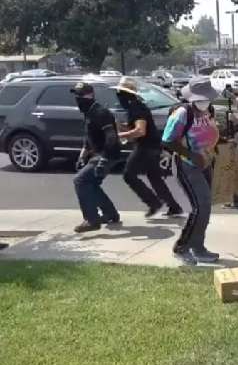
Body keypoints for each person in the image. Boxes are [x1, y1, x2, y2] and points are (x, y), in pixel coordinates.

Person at [162, 77, 220, 265]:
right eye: (201, 99)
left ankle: (198, 247)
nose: (205, 102)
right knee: (199, 206)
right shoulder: (182, 113)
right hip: (187, 165)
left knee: (206, 207)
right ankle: (181, 247)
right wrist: (192, 156)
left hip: (206, 163)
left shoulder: (208, 111)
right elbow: (168, 140)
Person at [114, 77, 183, 218]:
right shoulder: (136, 106)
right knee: (154, 177)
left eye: (120, 92)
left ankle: (153, 203)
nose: (118, 95)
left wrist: (121, 135)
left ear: (126, 94)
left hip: (146, 146)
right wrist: (120, 127)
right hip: (152, 145)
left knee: (129, 175)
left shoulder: (136, 108)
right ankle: (174, 207)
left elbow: (140, 130)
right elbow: (137, 127)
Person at [72, 81, 122, 233]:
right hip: (98, 154)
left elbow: (111, 137)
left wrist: (104, 159)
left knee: (80, 181)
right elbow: (89, 137)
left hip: (108, 154)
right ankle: (110, 214)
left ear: (90, 95)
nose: (77, 98)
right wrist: (82, 155)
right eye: (76, 95)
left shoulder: (101, 113)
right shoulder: (88, 113)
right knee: (91, 184)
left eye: (80, 95)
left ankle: (91, 220)